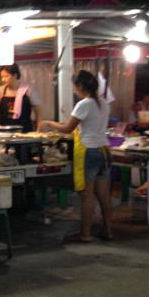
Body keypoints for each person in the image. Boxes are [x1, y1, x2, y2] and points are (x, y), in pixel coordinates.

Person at [40, 70, 113, 243]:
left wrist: (49, 123)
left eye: (74, 87)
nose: (74, 90)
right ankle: (107, 231)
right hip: (104, 151)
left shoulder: (84, 104)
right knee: (104, 196)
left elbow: (67, 129)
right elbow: (78, 123)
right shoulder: (103, 103)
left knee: (87, 196)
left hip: (89, 152)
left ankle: (85, 234)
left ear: (80, 86)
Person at [0, 64, 42, 132]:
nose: (3, 79)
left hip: (26, 133)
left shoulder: (29, 91)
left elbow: (39, 113)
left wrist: (38, 130)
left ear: (15, 75)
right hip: (4, 133)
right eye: (2, 77)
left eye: (6, 76)